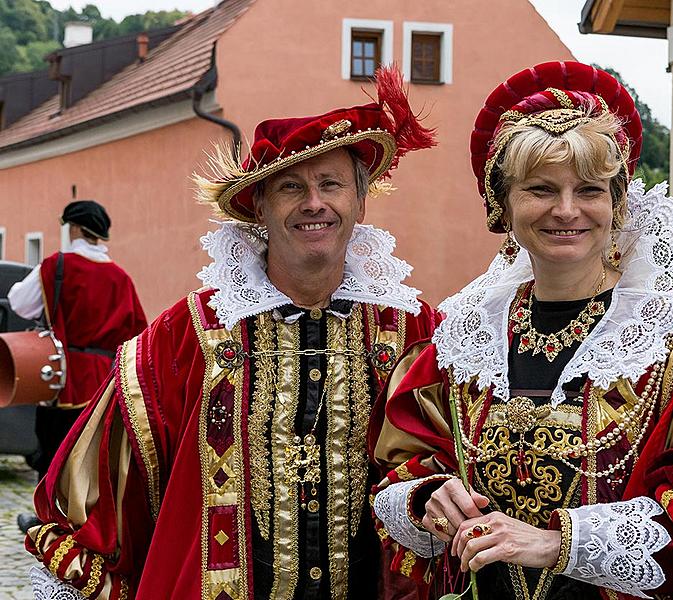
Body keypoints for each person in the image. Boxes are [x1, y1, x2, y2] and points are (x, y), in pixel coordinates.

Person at [370, 61, 673, 600]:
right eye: (541, 189)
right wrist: (426, 497)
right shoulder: (461, 344)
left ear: (618, 204)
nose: (566, 211)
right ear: (502, 204)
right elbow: (403, 469)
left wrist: (558, 543)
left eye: (589, 190)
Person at [25, 66, 439, 600]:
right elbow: (104, 492)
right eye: (292, 187)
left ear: (360, 203)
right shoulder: (185, 336)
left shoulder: (414, 331)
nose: (314, 202)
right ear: (259, 208)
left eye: (331, 184)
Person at [8, 200, 147, 533]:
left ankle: (49, 521)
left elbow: (19, 303)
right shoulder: (121, 277)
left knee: (53, 448)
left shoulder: (58, 265)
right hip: (107, 381)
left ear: (72, 228)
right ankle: (92, 523)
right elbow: (139, 331)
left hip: (64, 376)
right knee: (97, 455)